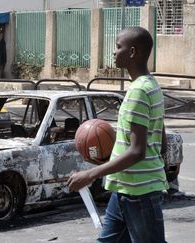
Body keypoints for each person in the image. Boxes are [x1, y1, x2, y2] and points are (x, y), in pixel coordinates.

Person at [67, 27, 168, 243]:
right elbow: (161, 143)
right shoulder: (152, 86)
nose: (114, 52)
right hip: (125, 188)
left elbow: (137, 151)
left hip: (140, 193)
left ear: (132, 52)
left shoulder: (139, 91)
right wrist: (112, 158)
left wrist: (90, 174)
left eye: (118, 47)